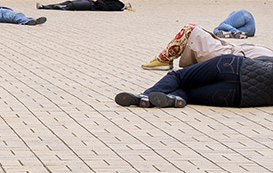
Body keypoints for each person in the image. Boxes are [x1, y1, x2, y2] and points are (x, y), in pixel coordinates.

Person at [115, 54, 273, 109]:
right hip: (239, 96)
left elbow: (263, 59)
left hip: (232, 65)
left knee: (179, 77)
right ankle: (176, 99)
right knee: (189, 93)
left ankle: (144, 96)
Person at [142, 23, 273, 71]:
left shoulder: (267, 59)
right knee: (192, 30)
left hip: (226, 54)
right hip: (229, 51)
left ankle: (162, 59)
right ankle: (163, 59)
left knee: (190, 29)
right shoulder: (267, 57)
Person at [36, 0, 131, 11]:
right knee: (68, 3)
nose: (125, 0)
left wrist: (96, 1)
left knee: (70, 6)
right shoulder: (117, 1)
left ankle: (44, 7)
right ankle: (44, 6)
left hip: (91, 5)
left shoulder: (118, 5)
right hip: (89, 1)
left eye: (127, 2)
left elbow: (106, 7)